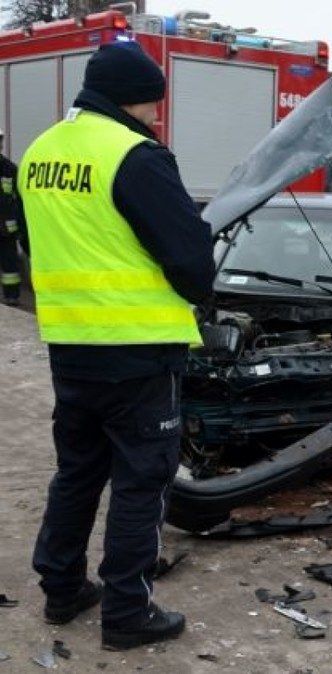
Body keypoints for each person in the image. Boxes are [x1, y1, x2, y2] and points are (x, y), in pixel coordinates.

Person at [21, 42, 214, 651]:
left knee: (78, 471)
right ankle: (127, 613)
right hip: (138, 351)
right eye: (154, 104)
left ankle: (62, 590)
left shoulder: (40, 152)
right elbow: (191, 262)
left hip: (70, 345)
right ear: (138, 99)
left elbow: (38, 244)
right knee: (141, 482)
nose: (157, 116)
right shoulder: (134, 154)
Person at [0, 129, 24, 306]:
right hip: (6, 228)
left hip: (6, 230)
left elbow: (20, 198)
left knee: (11, 267)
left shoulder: (9, 168)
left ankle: (12, 297)